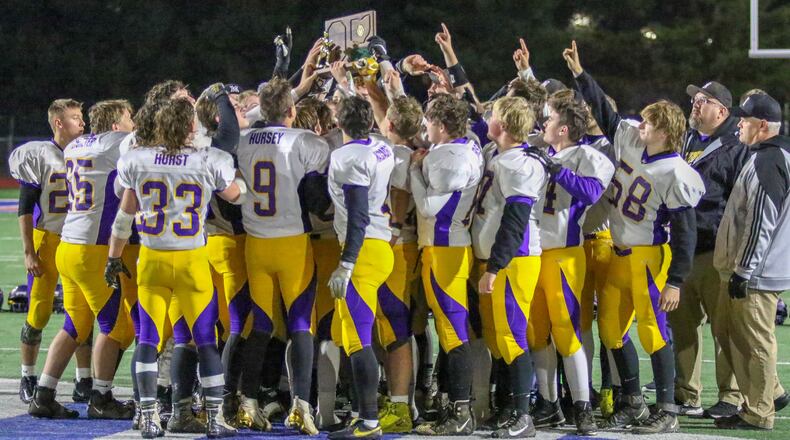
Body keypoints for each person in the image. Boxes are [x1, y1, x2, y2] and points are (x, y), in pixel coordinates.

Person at [566, 40, 705, 434]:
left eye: (647, 123)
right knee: (611, 330)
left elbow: (685, 232)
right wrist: (580, 75)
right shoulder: (630, 140)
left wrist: (675, 280)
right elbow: (605, 112)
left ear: (663, 132)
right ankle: (633, 403)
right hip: (618, 253)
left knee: (653, 333)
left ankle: (668, 410)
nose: (639, 126)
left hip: (649, 258)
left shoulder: (676, 172)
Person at [105, 97, 245, 438]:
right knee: (206, 341)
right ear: (190, 127)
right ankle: (214, 418)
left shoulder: (137, 159)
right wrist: (240, 179)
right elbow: (236, 196)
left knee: (148, 339)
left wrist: (113, 257)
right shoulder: (207, 159)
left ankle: (149, 417)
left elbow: (123, 218)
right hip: (191, 262)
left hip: (152, 260)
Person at [28, 100, 136, 420]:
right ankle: (101, 397)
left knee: (75, 325)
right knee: (116, 327)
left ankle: (43, 394)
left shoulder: (76, 145)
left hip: (68, 245)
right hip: (94, 249)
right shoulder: (116, 143)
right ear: (115, 126)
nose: (133, 123)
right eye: (129, 118)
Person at [236, 77, 330, 435]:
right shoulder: (306, 141)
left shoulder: (244, 140)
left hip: (256, 244)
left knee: (260, 326)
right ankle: (302, 406)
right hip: (293, 243)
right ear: (292, 110)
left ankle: (248, 403)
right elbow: (317, 200)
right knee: (301, 325)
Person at [527, 91, 614, 436]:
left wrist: (556, 169)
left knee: (567, 330)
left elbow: (591, 192)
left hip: (564, 253)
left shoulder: (589, 156)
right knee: (537, 333)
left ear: (564, 128)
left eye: (550, 119)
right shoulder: (541, 150)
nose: (544, 123)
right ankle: (548, 403)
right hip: (532, 253)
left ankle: (582, 406)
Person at [668, 81, 750, 418]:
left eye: (704, 101)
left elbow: (740, 202)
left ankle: (731, 396)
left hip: (715, 250)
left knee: (723, 328)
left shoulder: (736, 146)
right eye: (695, 100)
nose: (696, 105)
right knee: (682, 327)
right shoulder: (685, 139)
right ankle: (687, 394)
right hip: (681, 249)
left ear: (722, 111)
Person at [713, 93, 789, 431]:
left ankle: (759, 411)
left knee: (755, 342)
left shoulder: (768, 160)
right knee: (730, 333)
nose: (738, 124)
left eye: (744, 120)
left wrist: (744, 271)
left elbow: (761, 220)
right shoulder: (769, 156)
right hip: (758, 266)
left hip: (756, 271)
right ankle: (770, 394)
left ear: (762, 125)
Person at [473, 96, 547, 438]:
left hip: (514, 259)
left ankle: (522, 416)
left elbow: (515, 223)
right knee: (497, 338)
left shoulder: (520, 164)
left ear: (502, 124)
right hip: (497, 258)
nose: (488, 118)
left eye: (493, 115)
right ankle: (507, 408)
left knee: (512, 336)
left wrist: (495, 267)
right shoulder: (497, 154)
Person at [9, 98, 92, 405]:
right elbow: (25, 209)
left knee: (81, 311)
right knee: (39, 311)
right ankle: (28, 375)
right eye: (75, 117)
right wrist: (28, 251)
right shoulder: (40, 155)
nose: (82, 123)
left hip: (76, 240)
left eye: (81, 117)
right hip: (47, 240)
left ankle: (84, 378)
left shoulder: (88, 152)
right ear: (59, 122)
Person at [411, 93, 483, 436]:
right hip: (453, 246)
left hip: (445, 249)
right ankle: (456, 406)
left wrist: (415, 170)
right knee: (450, 329)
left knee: (453, 332)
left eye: (429, 122)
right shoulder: (466, 146)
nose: (426, 128)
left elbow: (428, 207)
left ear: (440, 125)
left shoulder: (449, 158)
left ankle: (461, 412)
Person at [326, 96, 395, 439]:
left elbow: (357, 215)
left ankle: (369, 422)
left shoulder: (347, 157)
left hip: (362, 251)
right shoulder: (381, 147)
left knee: (358, 339)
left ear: (339, 123)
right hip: (380, 245)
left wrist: (346, 263)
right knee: (354, 335)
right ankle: (361, 415)